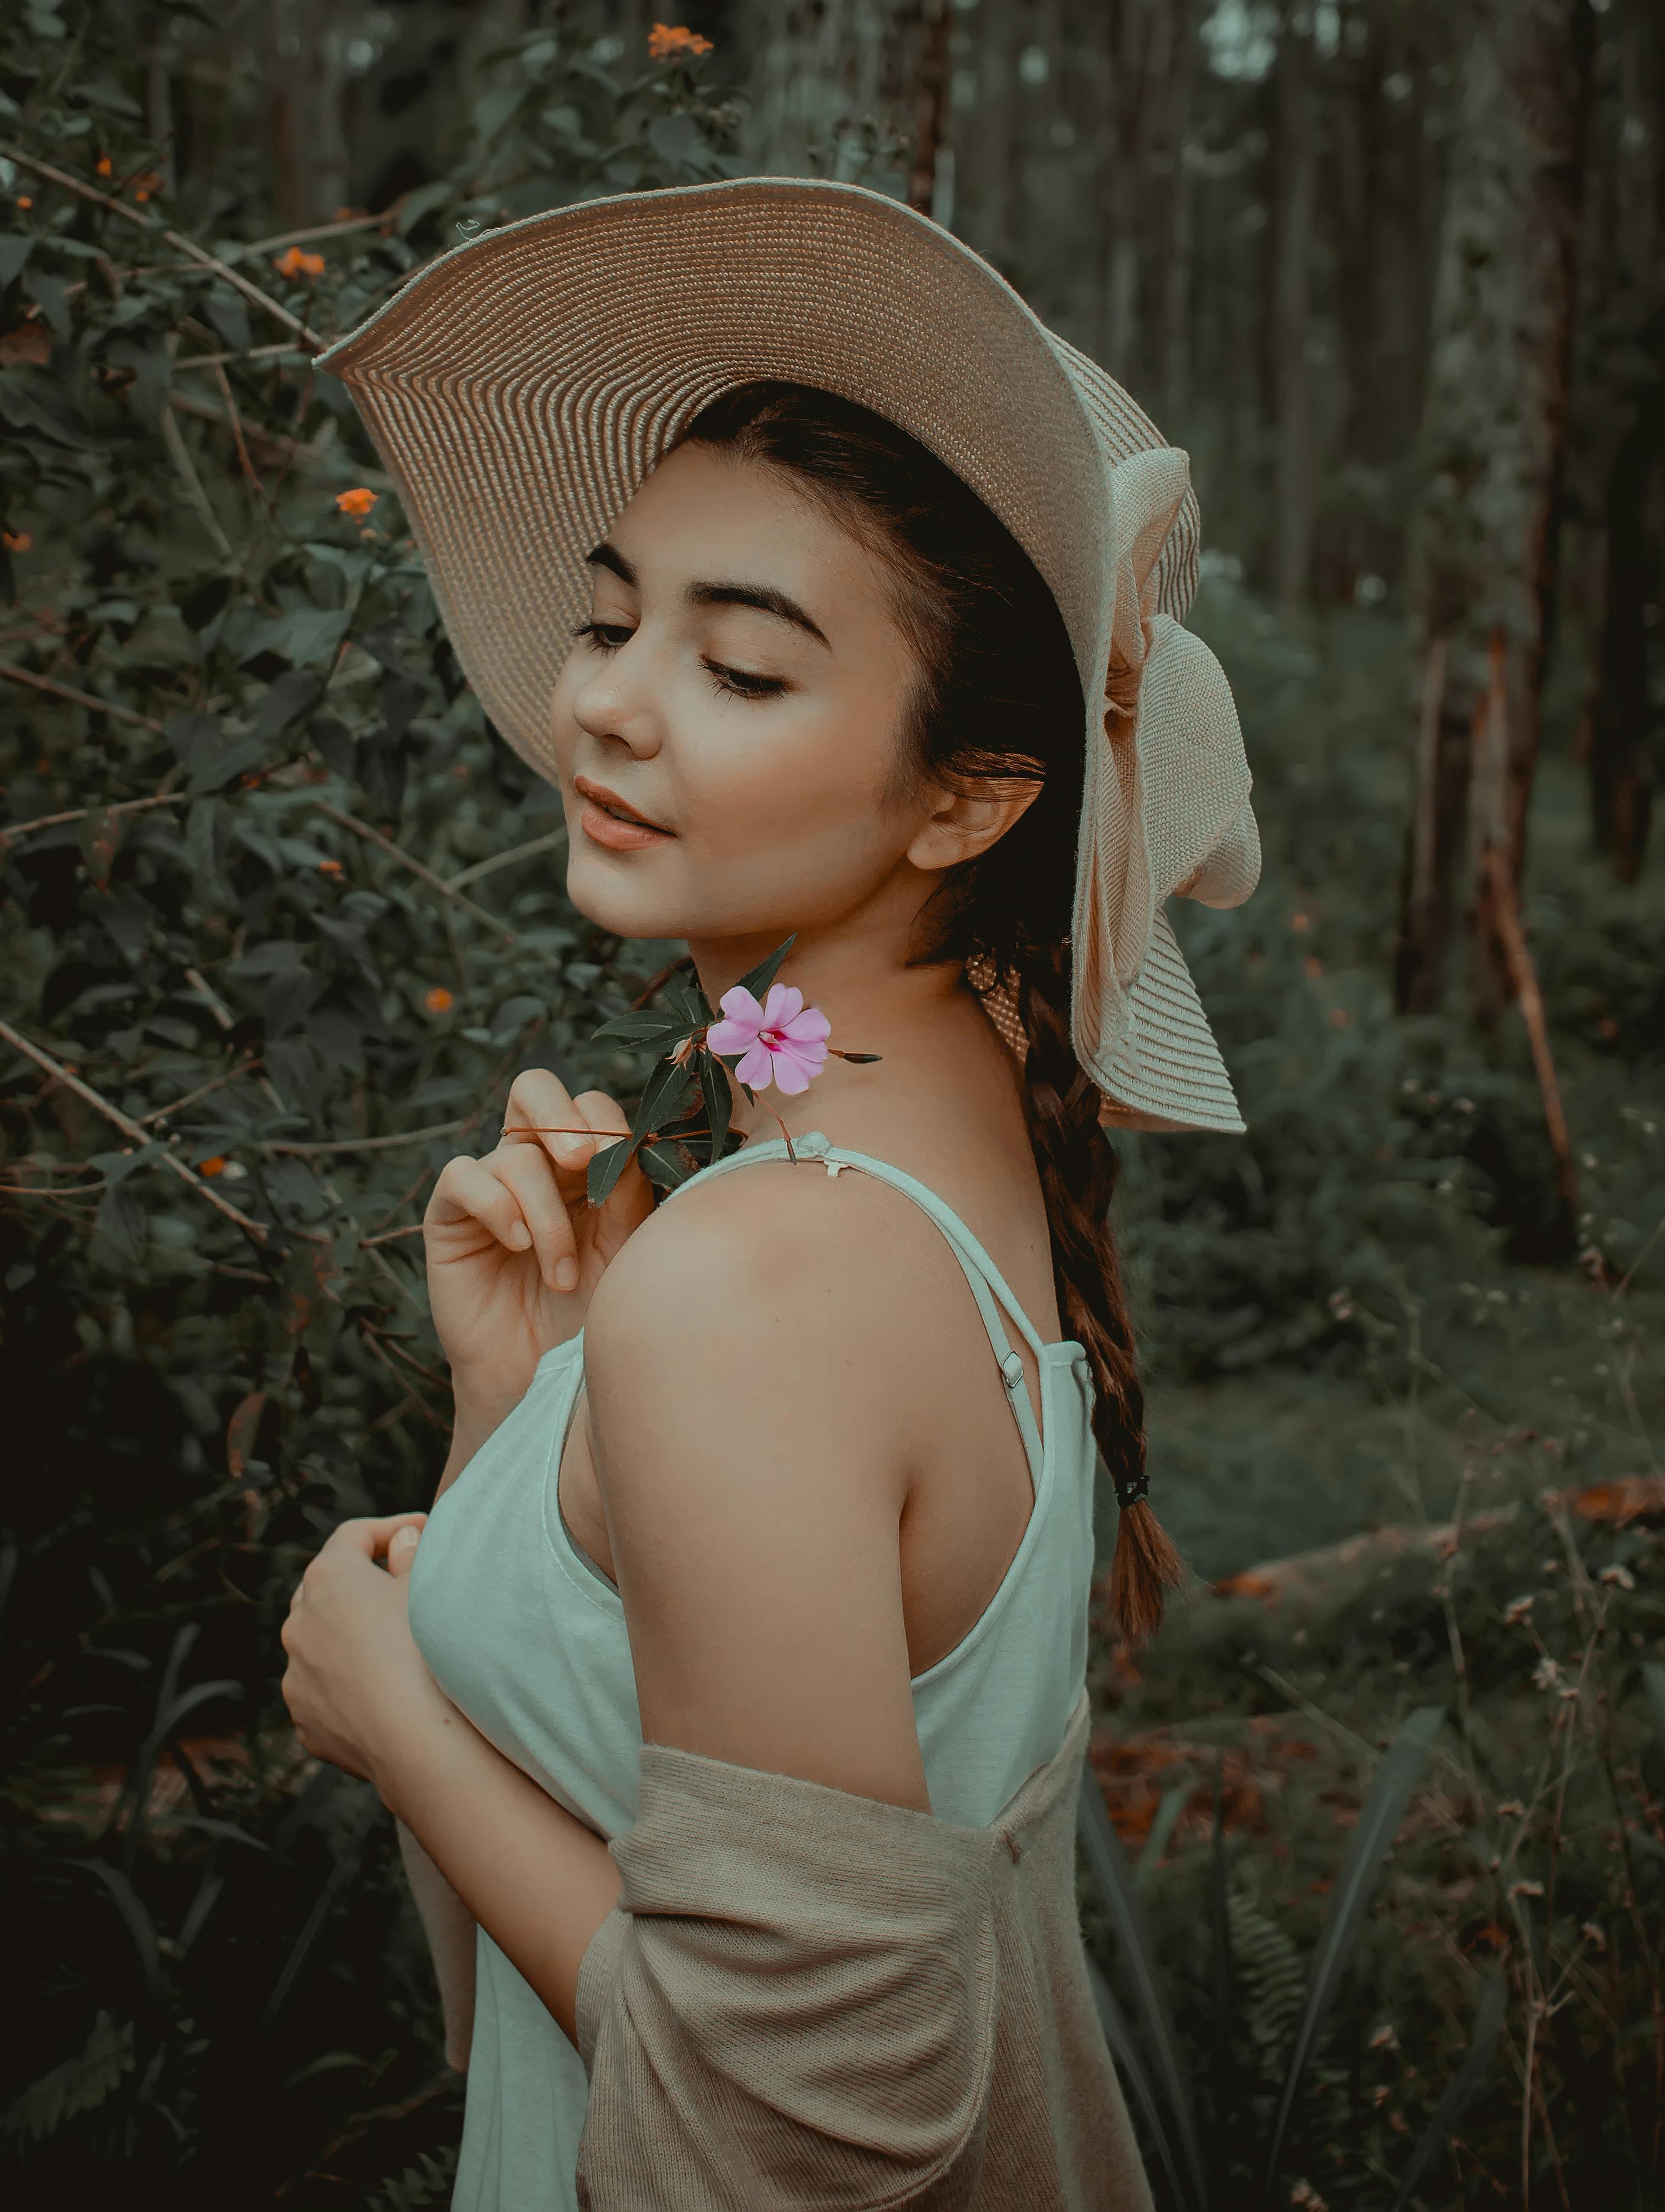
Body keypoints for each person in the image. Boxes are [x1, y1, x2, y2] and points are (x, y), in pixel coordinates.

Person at [277, 177, 1260, 2211]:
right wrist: (530, 1411)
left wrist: (399, 1720)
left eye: (739, 666)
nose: (607, 704)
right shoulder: (947, 1151)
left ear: (973, 793)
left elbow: (788, 2141)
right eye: (611, 613)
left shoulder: (760, 1278)